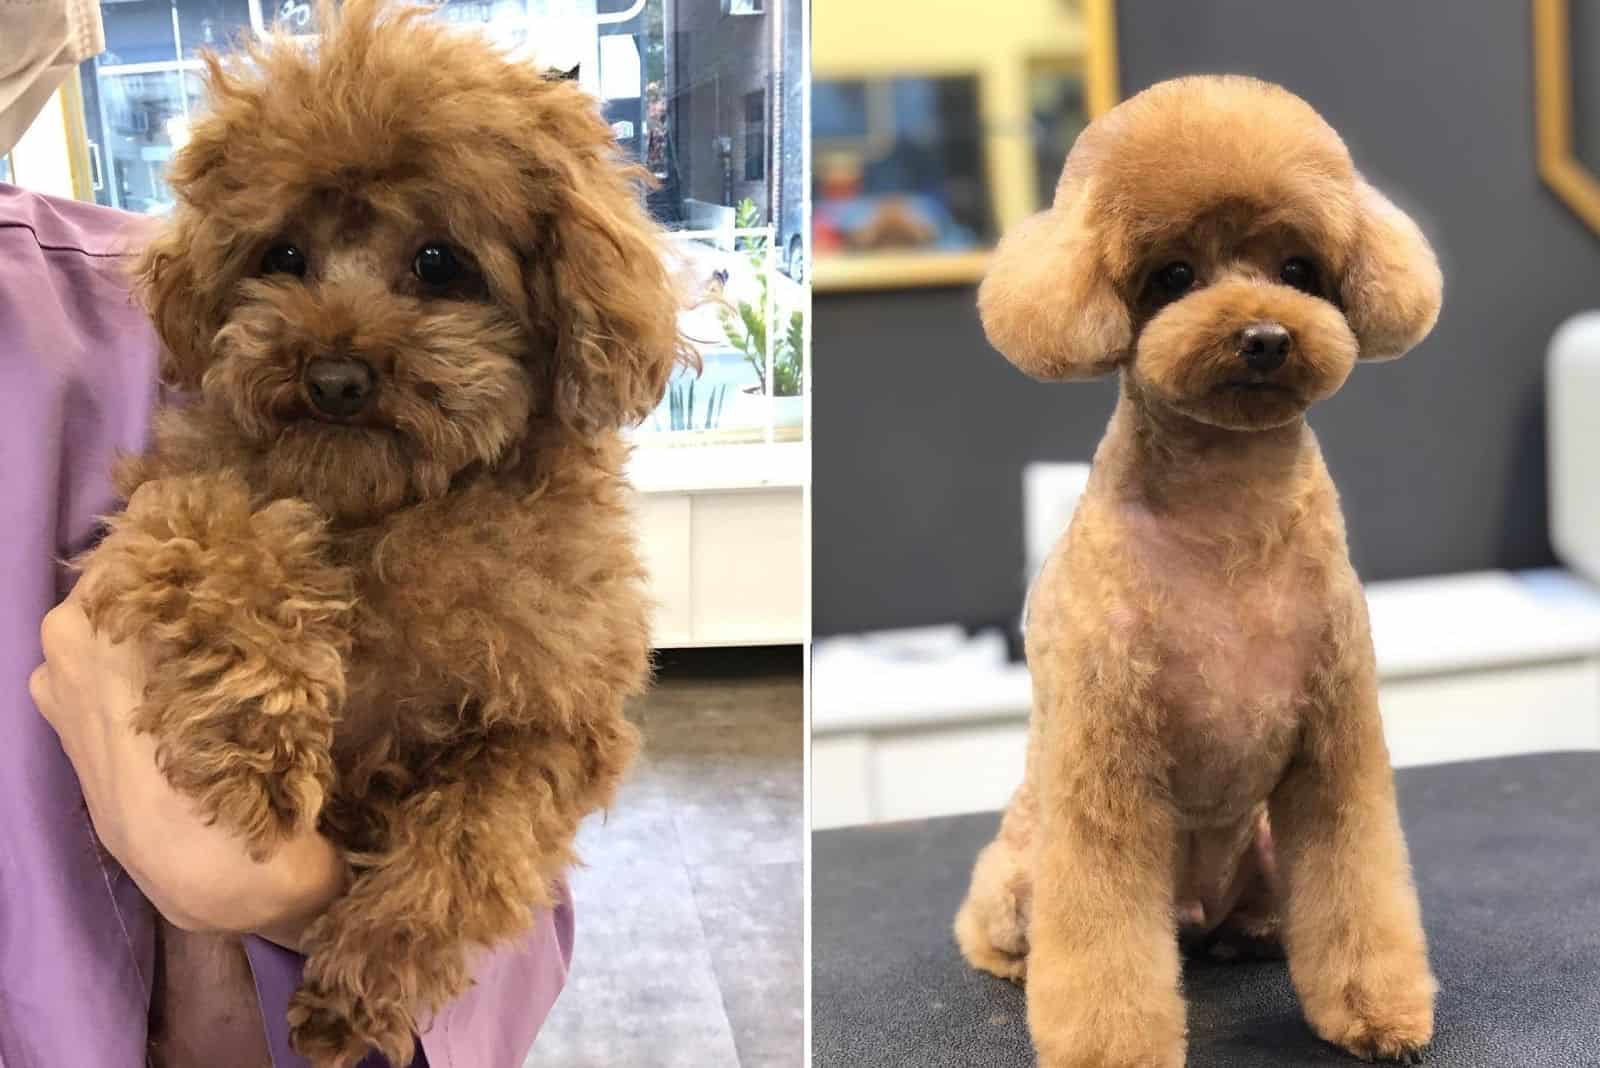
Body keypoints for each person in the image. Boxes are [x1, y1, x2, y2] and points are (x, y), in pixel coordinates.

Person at [1, 6, 573, 1065]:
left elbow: (543, 801)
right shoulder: (185, 356)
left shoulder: (113, 328)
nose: (338, 356)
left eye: (437, 266)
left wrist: (312, 907)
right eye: (286, 258)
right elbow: (187, 527)